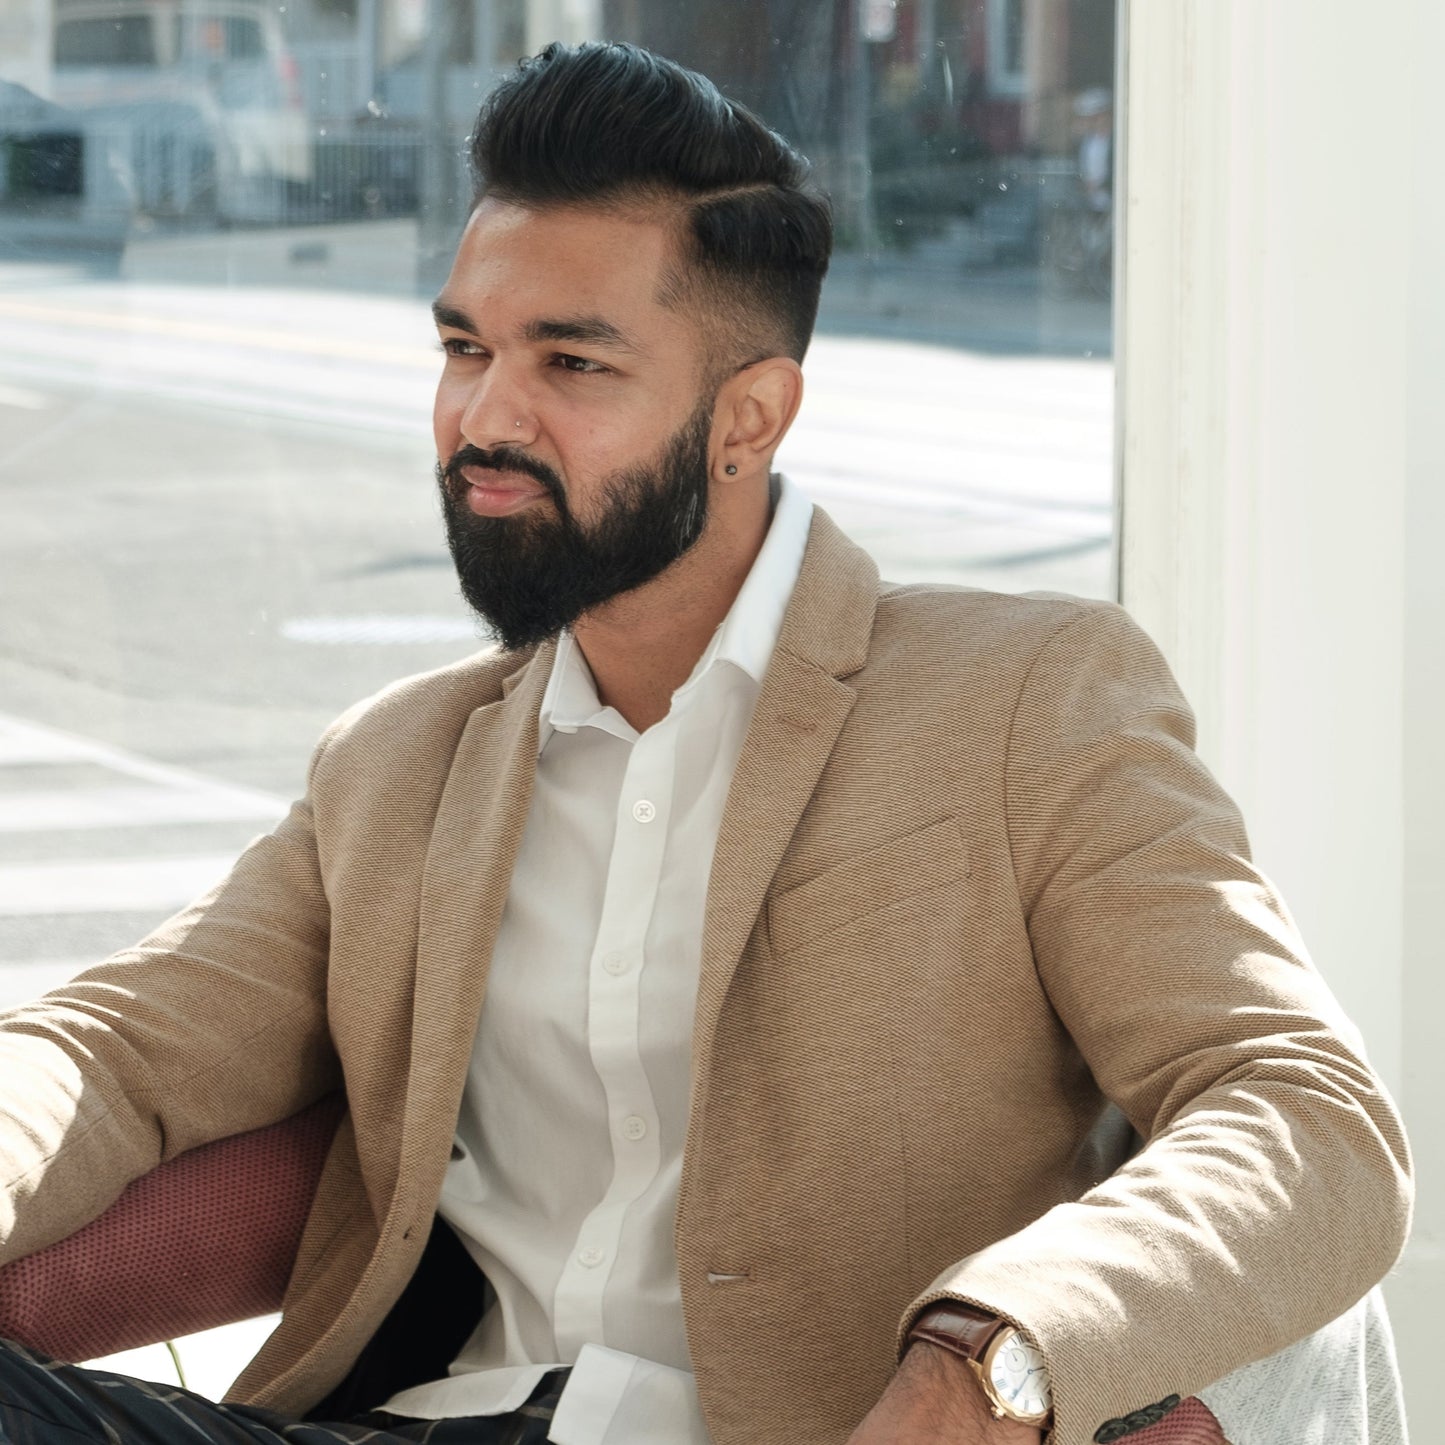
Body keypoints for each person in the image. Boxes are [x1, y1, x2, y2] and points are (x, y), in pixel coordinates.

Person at [0, 41, 1412, 1445]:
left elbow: (1301, 1110)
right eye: (464, 349)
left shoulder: (1024, 696)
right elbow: (116, 1048)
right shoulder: (396, 765)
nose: (484, 417)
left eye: (571, 360)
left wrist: (991, 1359)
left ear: (748, 418)